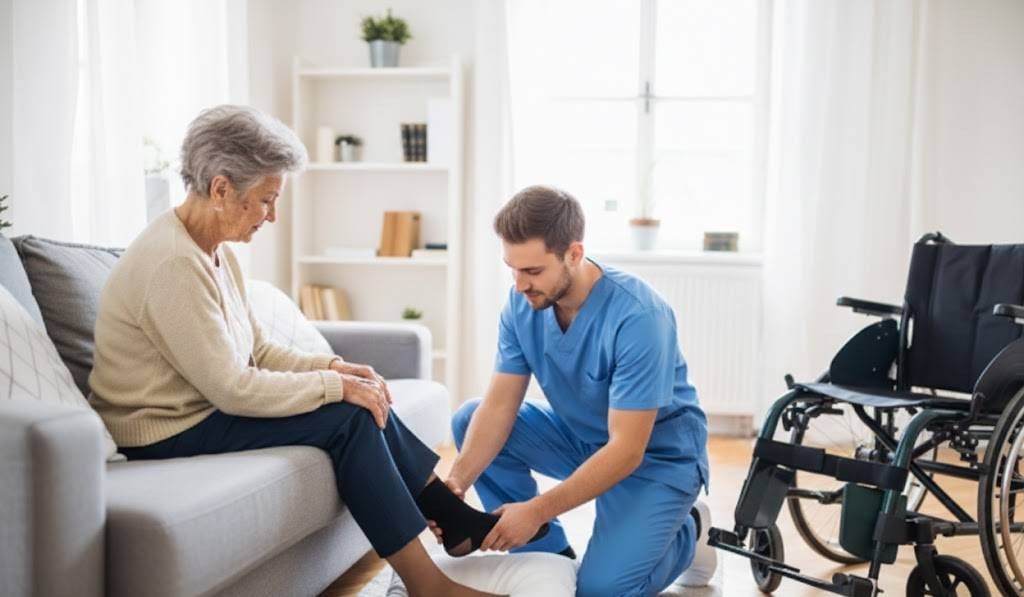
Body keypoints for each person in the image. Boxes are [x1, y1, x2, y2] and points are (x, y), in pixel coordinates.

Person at [88, 105, 516, 597]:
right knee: (348, 416)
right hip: (165, 429)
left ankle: (450, 516)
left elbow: (260, 350)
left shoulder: (215, 252)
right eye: (266, 200)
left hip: (199, 409)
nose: (272, 216)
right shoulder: (171, 265)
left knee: (361, 396)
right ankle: (431, 581)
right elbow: (232, 387)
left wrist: (336, 368)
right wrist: (334, 387)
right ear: (222, 188)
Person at [439, 186, 718, 596]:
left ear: (573, 253)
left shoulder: (640, 317)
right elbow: (499, 407)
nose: (519, 285)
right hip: (585, 439)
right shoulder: (522, 305)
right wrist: (457, 483)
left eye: (532, 272)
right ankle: (550, 555)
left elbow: (626, 450)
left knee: (601, 592)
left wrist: (535, 511)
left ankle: (688, 532)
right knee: (470, 417)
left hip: (656, 459)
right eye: (512, 269)